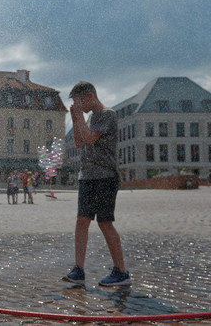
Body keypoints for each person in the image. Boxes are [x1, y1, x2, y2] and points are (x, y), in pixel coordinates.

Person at [62, 81, 131, 287]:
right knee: (81, 221)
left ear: (89, 97)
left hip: (105, 176)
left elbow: (91, 138)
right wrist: (76, 119)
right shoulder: (89, 117)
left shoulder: (107, 114)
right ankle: (78, 270)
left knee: (104, 222)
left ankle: (121, 271)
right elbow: (78, 141)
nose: (77, 106)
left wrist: (80, 118)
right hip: (87, 176)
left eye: (78, 102)